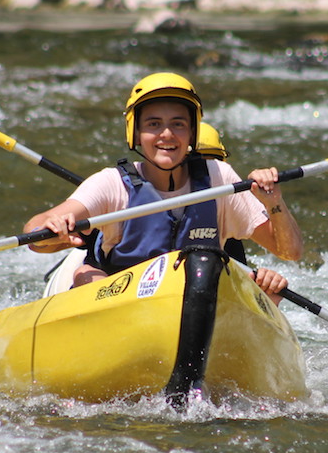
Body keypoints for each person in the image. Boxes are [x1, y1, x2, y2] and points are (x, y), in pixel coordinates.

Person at [24, 72, 303, 299]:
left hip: (195, 296)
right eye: (154, 124)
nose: (166, 134)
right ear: (136, 132)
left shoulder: (219, 177)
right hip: (120, 299)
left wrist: (273, 202)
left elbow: (290, 252)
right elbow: (35, 231)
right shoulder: (111, 183)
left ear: (192, 132)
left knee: (253, 285)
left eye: (178, 124)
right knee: (86, 275)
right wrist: (51, 228)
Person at [194, 122, 289, 305]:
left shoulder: (227, 220)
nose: (201, 175)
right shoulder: (146, 204)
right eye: (194, 164)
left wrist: (267, 297)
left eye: (210, 164)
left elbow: (289, 251)